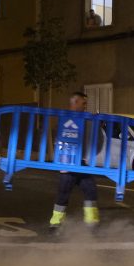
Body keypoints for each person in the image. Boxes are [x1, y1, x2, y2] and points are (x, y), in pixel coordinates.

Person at [49, 91, 99, 231]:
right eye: (83, 104)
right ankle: (55, 224)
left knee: (90, 191)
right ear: (75, 102)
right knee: (64, 193)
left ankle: (91, 224)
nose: (85, 107)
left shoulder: (82, 119)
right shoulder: (66, 119)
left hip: (81, 164)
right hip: (68, 163)